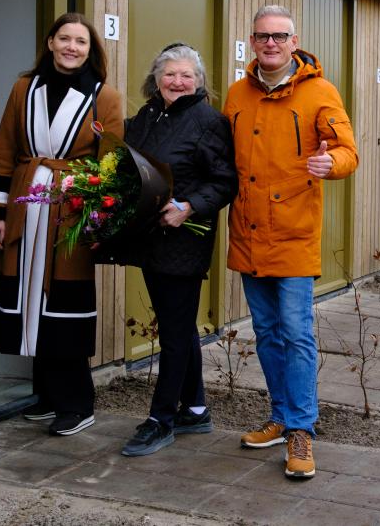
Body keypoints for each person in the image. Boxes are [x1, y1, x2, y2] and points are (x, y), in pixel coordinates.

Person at [222, 5, 358, 479]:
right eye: (263, 36)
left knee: (297, 333)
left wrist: (331, 163)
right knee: (266, 333)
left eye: (280, 36)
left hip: (295, 233)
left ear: (294, 41)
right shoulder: (237, 94)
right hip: (248, 232)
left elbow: (347, 150)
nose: (271, 44)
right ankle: (279, 416)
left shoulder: (320, 91)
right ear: (253, 41)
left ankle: (301, 429)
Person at [0, 12, 124, 437]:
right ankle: (46, 397)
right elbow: (5, 148)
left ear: (90, 50)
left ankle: (77, 404)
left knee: (62, 306)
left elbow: (113, 166)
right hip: (25, 207)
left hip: (71, 213)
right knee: (28, 303)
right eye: (64, 38)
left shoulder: (106, 98)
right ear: (49, 42)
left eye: (80, 42)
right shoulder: (23, 89)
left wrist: (100, 222)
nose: (71, 47)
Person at [119, 43, 236, 457]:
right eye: (170, 73)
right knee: (179, 325)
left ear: (200, 82)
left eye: (187, 75)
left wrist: (188, 207)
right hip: (148, 237)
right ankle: (197, 409)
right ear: (156, 78)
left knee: (172, 331)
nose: (178, 81)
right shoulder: (144, 118)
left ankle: (161, 419)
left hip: (184, 238)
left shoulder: (209, 121)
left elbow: (224, 182)